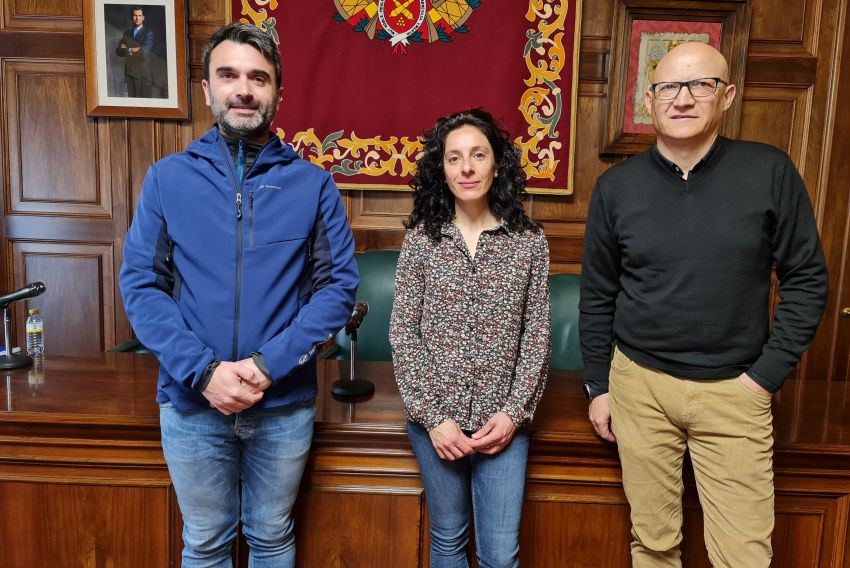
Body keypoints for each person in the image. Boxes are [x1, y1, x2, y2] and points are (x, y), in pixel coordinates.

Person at [580, 42, 829, 567]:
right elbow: (598, 293)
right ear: (650, 99)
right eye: (669, 86)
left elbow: (807, 279)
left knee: (744, 556)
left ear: (727, 96)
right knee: (653, 544)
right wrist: (599, 386)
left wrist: (764, 377)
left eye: (701, 85)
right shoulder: (616, 188)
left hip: (735, 390)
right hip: (639, 387)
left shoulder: (769, 172)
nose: (683, 98)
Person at [119, 23, 358, 567]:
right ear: (207, 89)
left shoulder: (314, 185)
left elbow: (337, 288)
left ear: (278, 93)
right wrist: (204, 373)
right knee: (205, 542)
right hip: (191, 403)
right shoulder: (166, 179)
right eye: (228, 75)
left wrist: (267, 366)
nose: (243, 89)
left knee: (272, 537)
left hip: (282, 404)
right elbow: (142, 286)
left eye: (258, 78)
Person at [389, 108, 550, 567]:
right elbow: (404, 333)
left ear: (497, 164)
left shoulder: (528, 241)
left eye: (478, 155)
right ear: (441, 169)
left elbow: (537, 336)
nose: (467, 168)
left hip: (503, 425)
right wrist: (434, 418)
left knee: (500, 554)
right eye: (454, 157)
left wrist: (513, 414)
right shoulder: (422, 240)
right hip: (435, 425)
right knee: (447, 540)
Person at [115, 6, 154, 97]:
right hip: (129, 75)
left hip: (143, 76)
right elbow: (118, 51)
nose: (137, 18)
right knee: (132, 103)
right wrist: (134, 48)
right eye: (135, 15)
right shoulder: (127, 33)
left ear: (143, 17)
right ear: (132, 17)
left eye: (139, 15)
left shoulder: (148, 34)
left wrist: (127, 48)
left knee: (144, 104)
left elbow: (143, 53)